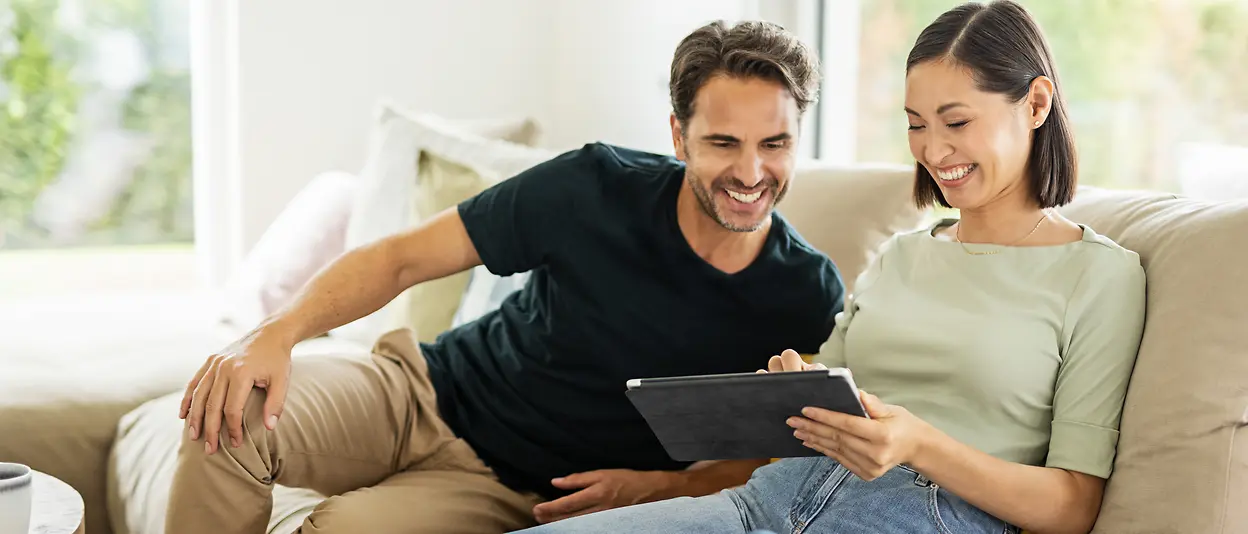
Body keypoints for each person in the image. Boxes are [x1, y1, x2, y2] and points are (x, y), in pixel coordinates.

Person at [167, 20, 846, 534]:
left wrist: (653, 487)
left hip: (519, 492)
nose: (751, 173)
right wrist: (276, 334)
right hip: (420, 391)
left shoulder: (806, 296)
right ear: (678, 135)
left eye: (775, 144)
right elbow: (400, 257)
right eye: (724, 142)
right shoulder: (593, 186)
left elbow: (785, 461)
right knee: (226, 416)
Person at [514, 2, 1148, 533]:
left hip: (922, 517)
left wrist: (919, 444)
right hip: (767, 500)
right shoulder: (901, 255)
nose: (933, 150)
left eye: (957, 122)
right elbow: (826, 394)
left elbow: (1073, 505)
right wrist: (793, 388)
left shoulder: (1100, 277)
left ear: (1036, 104)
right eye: (916, 125)